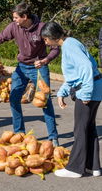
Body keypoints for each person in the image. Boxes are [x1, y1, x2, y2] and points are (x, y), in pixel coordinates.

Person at [0, 1, 60, 146]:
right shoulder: (13, 27)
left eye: (16, 18)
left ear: (25, 16)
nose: (14, 20)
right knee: (14, 98)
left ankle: (53, 137)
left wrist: (45, 60)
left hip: (39, 67)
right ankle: (19, 133)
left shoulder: (42, 28)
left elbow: (55, 48)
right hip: (21, 67)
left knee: (45, 101)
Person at [41, 22, 102, 178]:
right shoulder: (70, 43)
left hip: (88, 90)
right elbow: (73, 76)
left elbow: (86, 67)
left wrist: (86, 93)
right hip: (94, 88)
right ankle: (93, 166)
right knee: (89, 128)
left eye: (46, 39)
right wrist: (62, 92)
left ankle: (75, 168)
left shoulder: (69, 46)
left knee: (80, 129)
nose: (46, 43)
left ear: (52, 37)